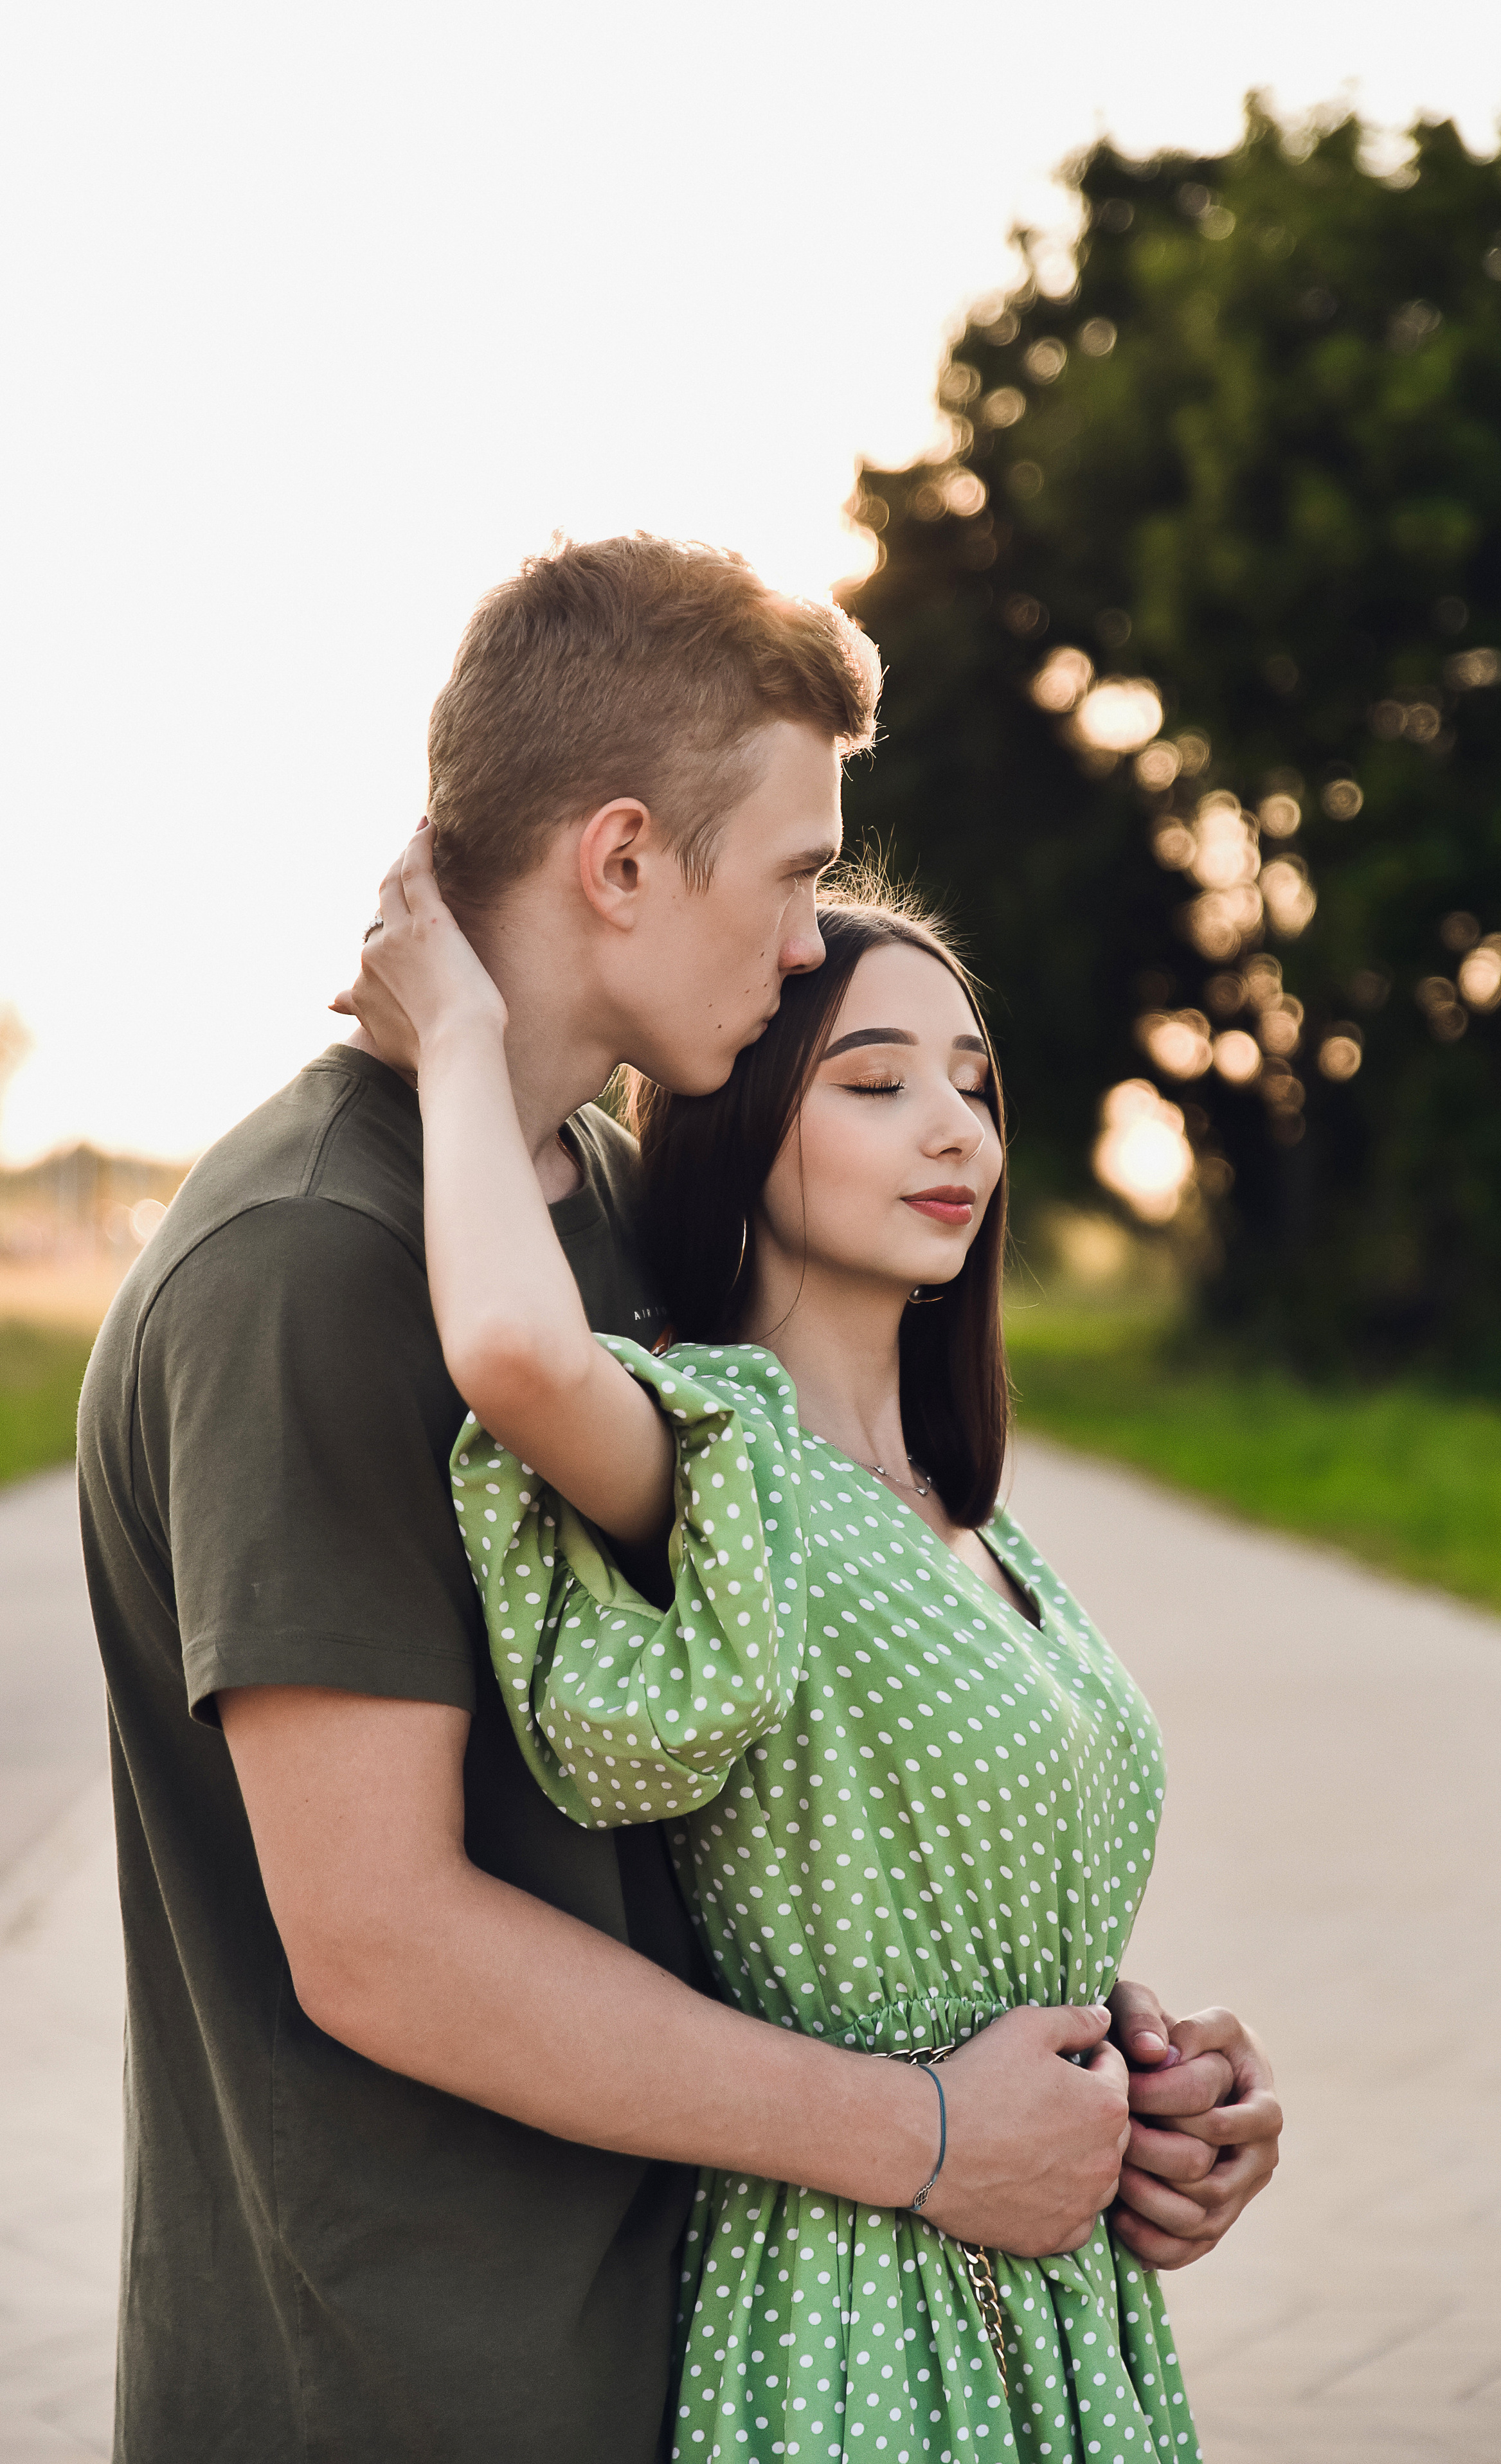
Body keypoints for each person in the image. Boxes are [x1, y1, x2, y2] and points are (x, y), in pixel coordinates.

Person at [77, 535, 1279, 2464]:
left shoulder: (610, 1224)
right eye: (798, 874)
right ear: (624, 862)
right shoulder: (304, 1268)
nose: (814, 940)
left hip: (700, 2341)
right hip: (407, 2388)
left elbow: (793, 1778)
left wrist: (1110, 2087)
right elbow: (382, 1936)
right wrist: (936, 2137)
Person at [345, 821, 1279, 2461]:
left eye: (974, 1086)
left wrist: (1153, 2079)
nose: (952, 1131)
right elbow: (505, 1346)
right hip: (853, 2303)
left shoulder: (971, 1522)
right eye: (872, 1083)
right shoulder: (718, 1452)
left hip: (1058, 2291)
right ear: (740, 1124)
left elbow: (962, 1880)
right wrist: (463, 1041)